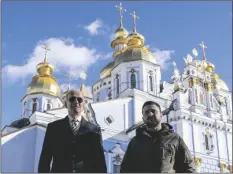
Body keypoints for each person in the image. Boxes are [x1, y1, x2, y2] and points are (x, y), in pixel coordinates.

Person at [38, 89, 107, 173]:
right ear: (66, 103)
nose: (76, 102)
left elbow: (100, 162)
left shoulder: (94, 130)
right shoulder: (54, 128)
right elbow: (45, 158)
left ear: (83, 103)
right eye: (72, 99)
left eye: (79, 99)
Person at [120, 101, 195, 173]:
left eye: (153, 111)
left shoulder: (174, 138)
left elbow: (188, 166)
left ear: (161, 115)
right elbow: (125, 169)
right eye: (146, 112)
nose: (150, 114)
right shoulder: (135, 142)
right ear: (143, 118)